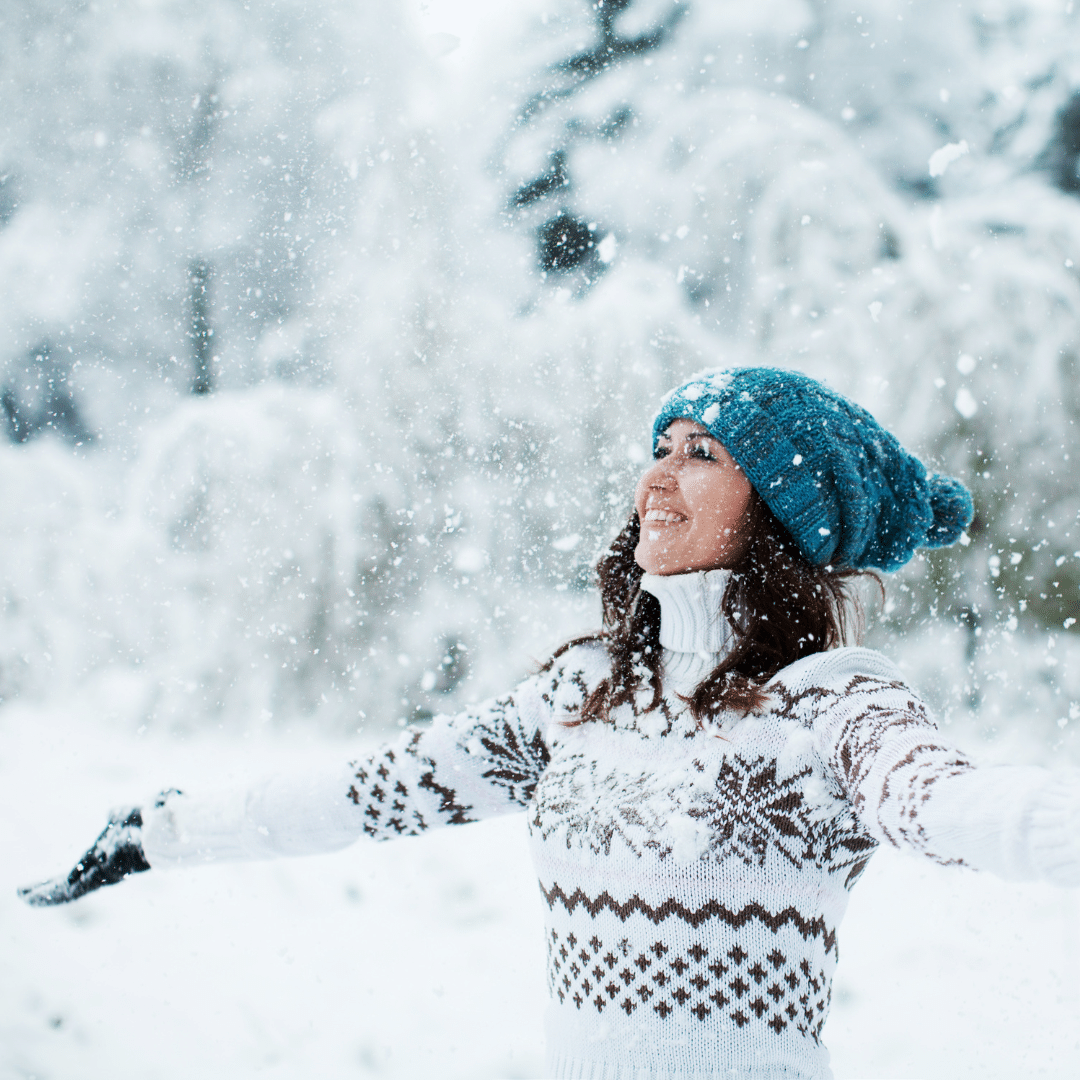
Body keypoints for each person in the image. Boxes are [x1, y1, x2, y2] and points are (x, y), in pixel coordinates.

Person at [19, 367, 1080, 1080]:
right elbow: (369, 792)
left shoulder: (833, 703)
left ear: (785, 510)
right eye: (660, 446)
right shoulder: (578, 698)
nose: (658, 474)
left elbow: (962, 808)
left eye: (704, 453)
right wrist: (163, 828)